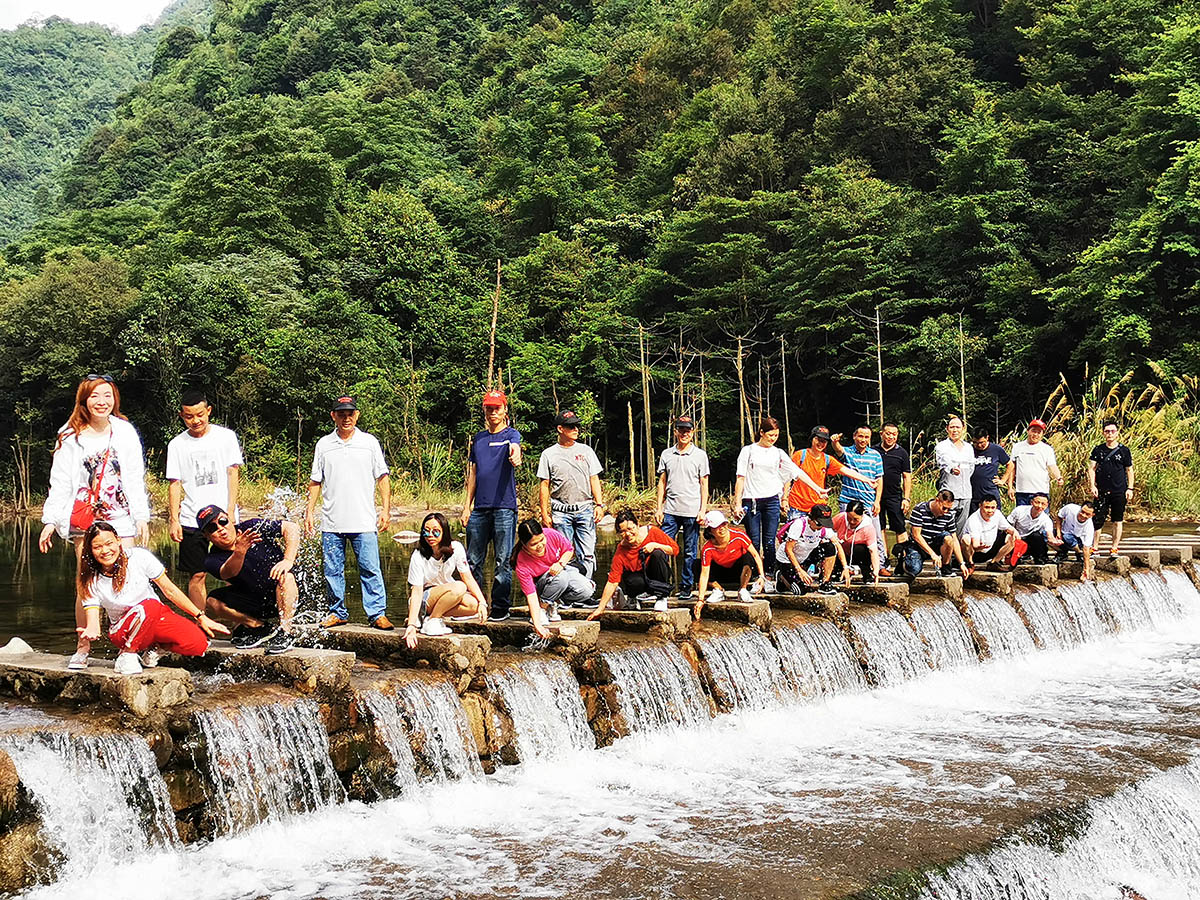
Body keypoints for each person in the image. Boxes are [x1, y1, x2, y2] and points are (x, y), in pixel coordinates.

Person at [39, 374, 151, 670]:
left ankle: (133, 645)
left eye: (107, 396)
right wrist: (50, 520)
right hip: (85, 520)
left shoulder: (124, 431)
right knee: (86, 583)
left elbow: (134, 476)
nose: (101, 402)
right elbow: (60, 482)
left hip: (121, 516)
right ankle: (83, 646)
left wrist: (142, 516)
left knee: (126, 580)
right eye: (94, 397)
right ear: (84, 401)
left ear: (114, 399)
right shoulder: (70, 435)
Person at [77, 522, 229, 675]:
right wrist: (91, 629)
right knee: (150, 605)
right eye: (97, 547)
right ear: (90, 550)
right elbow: (92, 616)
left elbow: (169, 590)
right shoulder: (90, 579)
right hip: (124, 629)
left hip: (154, 616)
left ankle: (155, 648)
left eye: (109, 543)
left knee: (198, 644)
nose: (105, 551)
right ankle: (127, 654)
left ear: (118, 540)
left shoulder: (138, 557)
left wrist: (200, 616)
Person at [304, 396, 393, 630]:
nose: (346, 418)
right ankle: (337, 612)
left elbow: (382, 477)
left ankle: (377, 614)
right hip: (332, 522)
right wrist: (309, 512)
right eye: (341, 413)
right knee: (332, 570)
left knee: (370, 568)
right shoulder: (324, 444)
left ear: (357, 415)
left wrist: (385, 509)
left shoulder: (369, 442)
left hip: (363, 521)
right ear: (333, 415)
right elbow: (315, 481)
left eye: (350, 413)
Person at [166, 390, 244, 611]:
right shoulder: (177, 444)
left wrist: (230, 510)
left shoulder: (226, 436)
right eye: (189, 416)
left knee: (234, 571)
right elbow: (175, 483)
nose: (196, 420)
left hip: (223, 518)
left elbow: (232, 473)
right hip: (192, 518)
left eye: (200, 414)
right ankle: (202, 625)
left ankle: (240, 623)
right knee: (197, 574)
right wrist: (174, 519)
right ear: (182, 416)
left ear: (208, 411)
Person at [198, 504, 298, 654]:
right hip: (258, 601)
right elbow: (228, 572)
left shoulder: (251, 526)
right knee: (213, 601)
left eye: (223, 521)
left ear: (229, 518)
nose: (220, 529)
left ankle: (285, 632)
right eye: (212, 528)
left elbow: (291, 528)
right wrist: (240, 551)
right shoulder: (212, 559)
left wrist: (288, 560)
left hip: (288, 591)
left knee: (286, 577)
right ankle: (259, 627)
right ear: (207, 536)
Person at [461, 389, 522, 621]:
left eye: (497, 407)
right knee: (473, 560)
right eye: (489, 408)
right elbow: (473, 473)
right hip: (480, 509)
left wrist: (516, 455)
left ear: (504, 410)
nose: (493, 411)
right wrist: (466, 506)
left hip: (504, 508)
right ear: (484, 411)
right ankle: (475, 603)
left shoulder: (511, 435)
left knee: (502, 560)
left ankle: (500, 606)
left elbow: (516, 449)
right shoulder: (478, 439)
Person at [734, 417, 819, 580]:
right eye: (770, 435)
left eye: (776, 435)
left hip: (772, 500)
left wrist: (817, 489)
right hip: (751, 500)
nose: (773, 438)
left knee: (769, 541)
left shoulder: (778, 453)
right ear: (761, 433)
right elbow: (740, 477)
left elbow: (797, 472)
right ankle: (752, 575)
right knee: (754, 541)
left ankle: (770, 574)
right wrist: (737, 503)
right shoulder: (748, 451)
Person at [537, 409, 605, 579]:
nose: (576, 429)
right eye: (571, 426)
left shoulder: (586, 451)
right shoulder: (548, 454)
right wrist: (545, 513)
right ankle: (568, 592)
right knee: (563, 554)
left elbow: (594, 478)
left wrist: (599, 504)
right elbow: (544, 485)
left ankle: (586, 589)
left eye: (577, 426)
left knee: (587, 553)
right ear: (560, 429)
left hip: (584, 508)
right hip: (560, 510)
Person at [402, 513, 488, 647]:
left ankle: (432, 618)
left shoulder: (456, 548)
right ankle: (432, 619)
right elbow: (417, 591)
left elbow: (468, 577)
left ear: (444, 532)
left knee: (474, 605)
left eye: (435, 532)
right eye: (426, 531)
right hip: (426, 598)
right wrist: (411, 625)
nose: (430, 535)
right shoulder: (418, 556)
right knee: (459, 586)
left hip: (448, 595)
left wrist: (483, 603)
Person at [654, 415, 709, 598]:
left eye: (688, 430)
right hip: (670, 510)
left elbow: (704, 484)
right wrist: (659, 507)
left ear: (693, 432)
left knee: (690, 551)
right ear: (675, 431)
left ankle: (686, 587)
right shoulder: (666, 454)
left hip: (692, 511)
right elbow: (662, 482)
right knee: (661, 548)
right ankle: (661, 586)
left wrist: (702, 510)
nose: (684, 433)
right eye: (681, 429)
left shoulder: (700, 455)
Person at [592, 509, 680, 615]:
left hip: (653, 573)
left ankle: (661, 596)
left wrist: (655, 545)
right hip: (637, 578)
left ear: (637, 525)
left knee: (658, 554)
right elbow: (612, 581)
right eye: (623, 532)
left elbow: (675, 550)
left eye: (630, 529)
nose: (628, 534)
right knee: (634, 581)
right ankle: (633, 597)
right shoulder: (621, 550)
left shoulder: (652, 532)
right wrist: (600, 608)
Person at [511, 518, 583, 638]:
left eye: (541, 540)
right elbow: (531, 595)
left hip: (559, 572)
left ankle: (554, 603)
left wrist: (560, 563)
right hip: (544, 586)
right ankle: (543, 607)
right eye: (533, 544)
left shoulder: (551, 534)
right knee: (562, 578)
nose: (540, 546)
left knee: (586, 590)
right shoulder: (522, 563)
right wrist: (537, 623)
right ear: (524, 545)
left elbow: (569, 550)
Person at [693, 510, 766, 621]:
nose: (722, 528)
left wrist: (761, 576)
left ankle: (743, 589)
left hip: (740, 571)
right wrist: (700, 600)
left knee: (748, 556)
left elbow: (756, 555)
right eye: (717, 526)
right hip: (721, 573)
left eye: (723, 524)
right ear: (710, 530)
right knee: (696, 565)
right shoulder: (707, 548)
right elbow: (704, 574)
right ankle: (718, 590)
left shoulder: (739, 536)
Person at [776, 503, 849, 594]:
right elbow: (788, 549)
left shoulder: (824, 528)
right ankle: (781, 577)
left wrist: (845, 567)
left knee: (830, 547)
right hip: (787, 560)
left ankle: (825, 583)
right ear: (810, 519)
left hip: (806, 556)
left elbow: (837, 545)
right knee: (800, 591)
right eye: (819, 524)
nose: (821, 527)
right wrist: (799, 571)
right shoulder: (799, 525)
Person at [1088, 420, 1134, 557]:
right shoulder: (1098, 450)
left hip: (1119, 490)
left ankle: (1114, 548)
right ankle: (1094, 547)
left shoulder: (1124, 451)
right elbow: (1091, 468)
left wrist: (1130, 488)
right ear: (1103, 433)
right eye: (1107, 431)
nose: (1110, 434)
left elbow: (1129, 470)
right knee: (1097, 519)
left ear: (1117, 433)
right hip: (1101, 490)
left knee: (1117, 520)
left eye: (1112, 431)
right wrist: (1092, 485)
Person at [873, 423, 912, 575]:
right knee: (880, 527)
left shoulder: (901, 452)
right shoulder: (874, 451)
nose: (891, 437)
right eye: (888, 434)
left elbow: (907, 477)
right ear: (881, 433)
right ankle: (884, 561)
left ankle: (904, 560)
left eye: (894, 434)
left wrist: (906, 498)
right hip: (876, 495)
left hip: (895, 495)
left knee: (900, 526)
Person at [904, 490, 969, 577]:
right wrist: (932, 554)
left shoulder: (949, 515)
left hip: (935, 542)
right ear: (937, 500)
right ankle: (903, 562)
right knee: (914, 569)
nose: (946, 511)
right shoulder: (919, 509)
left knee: (948, 538)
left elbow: (954, 539)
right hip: (918, 545)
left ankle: (945, 567)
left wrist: (962, 563)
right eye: (944, 508)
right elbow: (916, 535)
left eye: (949, 509)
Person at [1005, 419, 1063, 507]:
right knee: (1022, 518)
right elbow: (1012, 468)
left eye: (1039, 432)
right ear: (1028, 431)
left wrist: (1059, 477)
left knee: (1040, 519)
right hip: (1022, 491)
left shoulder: (1047, 449)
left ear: (1042, 434)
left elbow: (1052, 466)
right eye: (1033, 431)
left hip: (1041, 492)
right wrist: (1010, 487)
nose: (1035, 434)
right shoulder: (1017, 447)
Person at [934, 416, 975, 535]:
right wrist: (952, 468)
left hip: (966, 493)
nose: (955, 430)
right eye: (952, 427)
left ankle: (956, 553)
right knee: (945, 525)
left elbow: (971, 468)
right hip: (949, 492)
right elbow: (944, 461)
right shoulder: (942, 446)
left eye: (958, 427)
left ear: (963, 429)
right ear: (947, 429)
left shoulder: (968, 447)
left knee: (961, 527)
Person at [962, 497, 1015, 570]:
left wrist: (1015, 533)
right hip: (975, 552)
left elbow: (1009, 528)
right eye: (987, 507)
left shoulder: (997, 514)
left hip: (991, 549)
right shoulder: (973, 520)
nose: (990, 511)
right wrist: (979, 547)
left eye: (993, 508)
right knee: (966, 539)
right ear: (980, 506)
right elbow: (975, 544)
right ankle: (970, 564)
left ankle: (994, 563)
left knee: (1011, 536)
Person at [833, 500, 880, 583]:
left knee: (860, 549)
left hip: (857, 554)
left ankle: (867, 574)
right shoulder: (840, 518)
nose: (852, 522)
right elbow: (826, 531)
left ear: (862, 515)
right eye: (849, 518)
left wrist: (876, 570)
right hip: (841, 553)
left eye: (855, 519)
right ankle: (835, 573)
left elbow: (873, 551)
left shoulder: (868, 528)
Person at [1008, 493, 1062, 565]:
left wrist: (1054, 542)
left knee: (1037, 536)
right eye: (1037, 502)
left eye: (1043, 504)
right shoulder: (1019, 510)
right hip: (1015, 539)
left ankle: (1039, 558)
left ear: (1046, 506)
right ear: (1031, 502)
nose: (1039, 506)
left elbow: (1050, 535)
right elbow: (1008, 525)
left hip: (1030, 542)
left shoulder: (1046, 519)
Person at [969, 430, 1010, 514]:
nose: (979, 445)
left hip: (990, 491)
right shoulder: (969, 449)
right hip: (973, 492)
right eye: (975, 443)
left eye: (982, 442)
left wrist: (1003, 480)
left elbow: (1010, 464)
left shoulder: (996, 449)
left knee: (993, 518)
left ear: (987, 438)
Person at [1056, 500, 1096, 578]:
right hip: (1063, 534)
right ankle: (1062, 553)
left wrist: (1086, 569)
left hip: (1077, 541)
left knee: (1067, 537)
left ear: (1092, 515)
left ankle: (1078, 553)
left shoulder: (1089, 527)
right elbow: (1059, 517)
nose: (1083, 515)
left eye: (1087, 514)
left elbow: (1086, 548)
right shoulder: (1070, 508)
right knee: (1045, 535)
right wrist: (1058, 532)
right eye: (1082, 512)